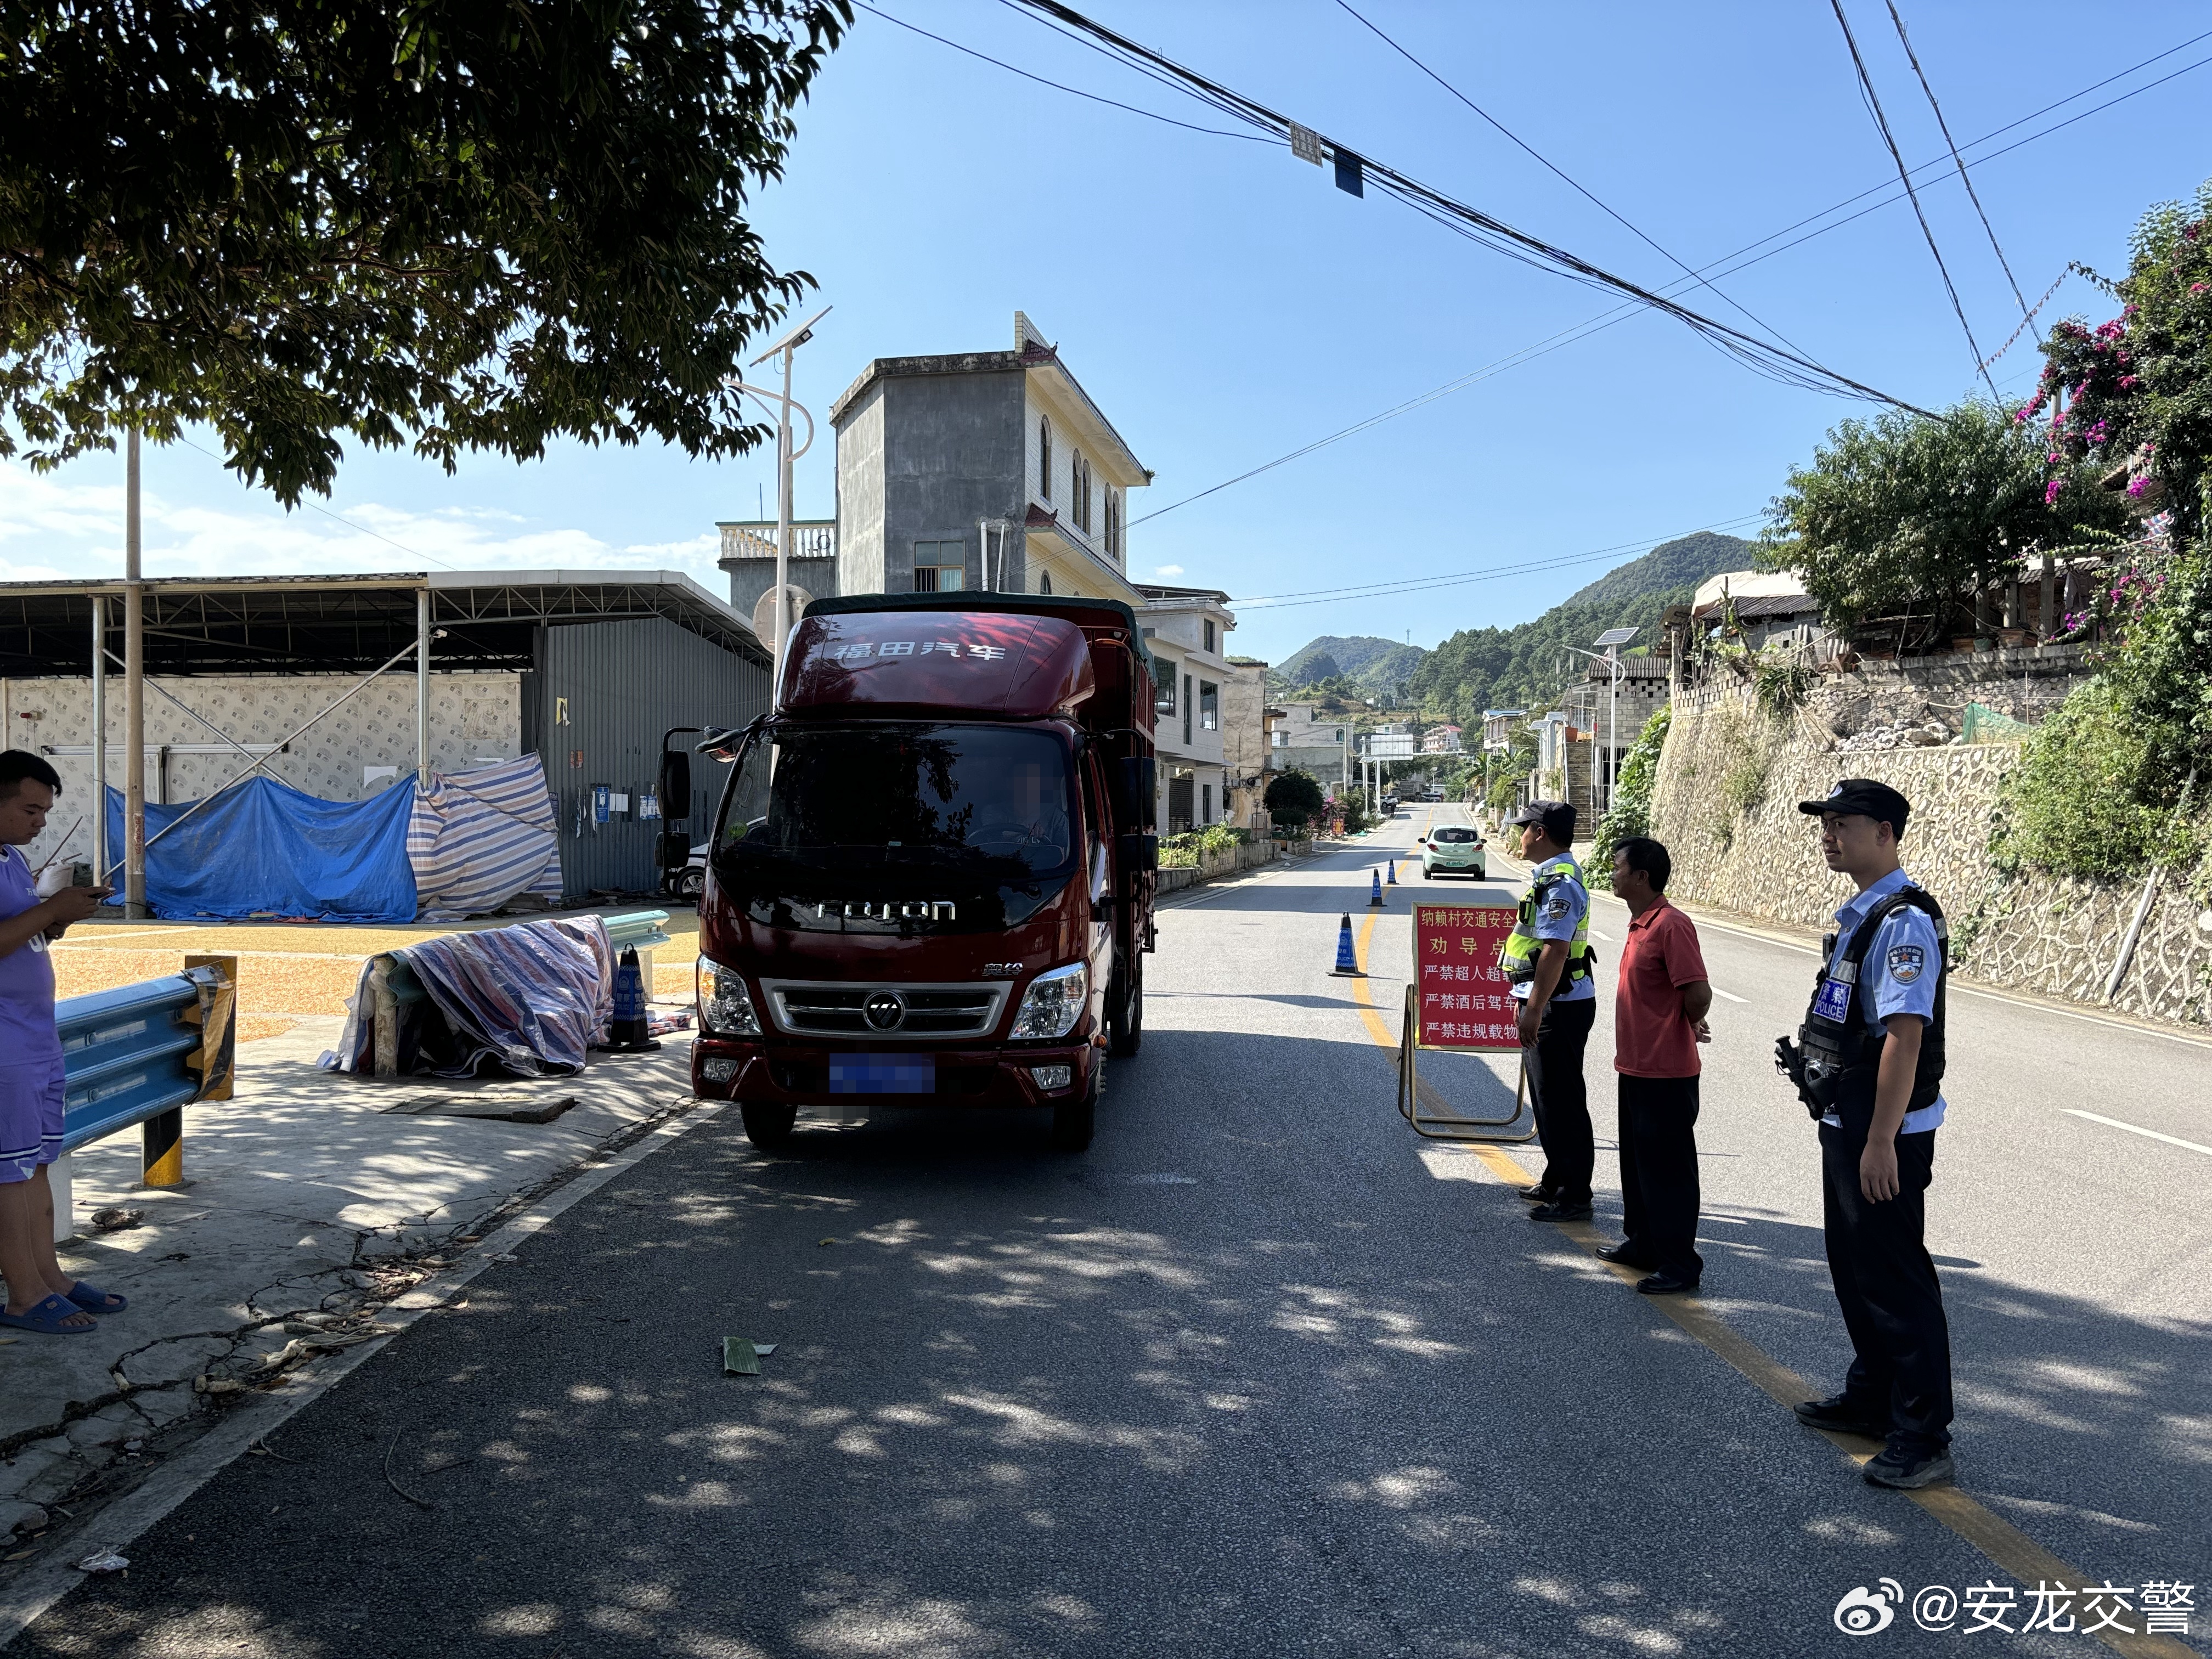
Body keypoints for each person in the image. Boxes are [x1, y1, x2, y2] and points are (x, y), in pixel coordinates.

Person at [1778, 778, 1955, 1491]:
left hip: (1885, 1130)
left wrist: (1882, 1140)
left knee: (1893, 1276)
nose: (1829, 833)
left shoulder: (1903, 921)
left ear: (1885, 833)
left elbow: (1904, 1040)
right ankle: (1873, 1396)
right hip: (1848, 1117)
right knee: (1854, 1266)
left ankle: (1922, 1433)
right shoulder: (1864, 914)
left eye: (1843, 823)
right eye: (1825, 822)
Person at [0, 751, 123, 1335]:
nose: (39, 822)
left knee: (37, 1163)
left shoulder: (12, 860)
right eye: (29, 809)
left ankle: (51, 1277)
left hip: (33, 1036)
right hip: (4, 1047)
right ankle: (24, 1295)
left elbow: (19, 937)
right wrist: (49, 908)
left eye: (45, 812)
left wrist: (57, 919)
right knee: (7, 1171)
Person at [1600, 837, 1712, 1295]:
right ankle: (1643, 1244)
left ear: (1642, 876)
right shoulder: (1638, 924)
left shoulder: (1671, 925)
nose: (1612, 872)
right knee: (1639, 1164)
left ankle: (1680, 1264)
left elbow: (1698, 991)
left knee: (1668, 1171)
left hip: (1667, 1071)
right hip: (1636, 1067)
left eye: (1618, 866)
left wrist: (1686, 1022)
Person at [1500, 800, 1596, 1223]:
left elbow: (1556, 951)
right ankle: (1557, 1177)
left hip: (1559, 1004)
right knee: (1546, 1097)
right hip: (1548, 1000)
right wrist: (1526, 1001)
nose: (1518, 836)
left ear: (1540, 833)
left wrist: (1534, 1009)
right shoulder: (1549, 878)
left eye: (1524, 829)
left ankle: (1576, 1194)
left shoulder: (1560, 883)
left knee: (1561, 1102)